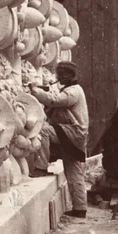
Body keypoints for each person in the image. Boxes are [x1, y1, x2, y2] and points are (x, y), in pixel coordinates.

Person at [31, 61, 89, 219]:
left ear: (67, 76)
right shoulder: (72, 90)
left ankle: (41, 167)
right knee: (74, 170)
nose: (58, 77)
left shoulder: (73, 91)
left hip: (72, 132)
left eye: (60, 75)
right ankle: (80, 208)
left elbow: (54, 100)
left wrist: (35, 91)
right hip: (73, 134)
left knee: (42, 129)